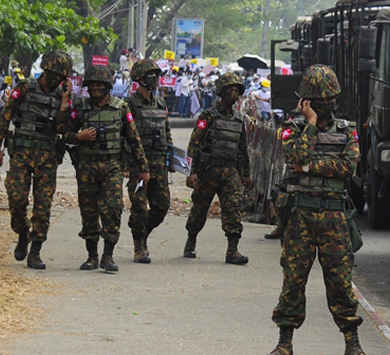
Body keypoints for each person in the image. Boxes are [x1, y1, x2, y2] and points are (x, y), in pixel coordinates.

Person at [269, 64, 365, 355]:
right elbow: (294, 154)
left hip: (334, 218)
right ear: (306, 101)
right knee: (293, 282)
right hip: (300, 216)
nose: (325, 104)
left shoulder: (348, 131)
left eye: (328, 99)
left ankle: (353, 343)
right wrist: (309, 123)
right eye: (318, 101)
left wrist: (311, 166)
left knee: (340, 283)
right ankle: (285, 343)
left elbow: (348, 168)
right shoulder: (291, 128)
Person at [0, 50, 73, 270]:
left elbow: (64, 129)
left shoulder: (62, 96)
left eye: (62, 76)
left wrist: (64, 102)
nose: (57, 79)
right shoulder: (25, 88)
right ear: (45, 69)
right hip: (22, 154)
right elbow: (5, 117)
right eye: (54, 73)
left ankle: (35, 252)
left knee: (43, 206)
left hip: (47, 157)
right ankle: (22, 232)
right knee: (16, 198)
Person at [64, 65, 150, 273]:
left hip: (112, 166)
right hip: (86, 167)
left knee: (112, 208)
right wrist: (78, 137)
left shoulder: (121, 108)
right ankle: (92, 256)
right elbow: (63, 132)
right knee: (89, 211)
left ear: (108, 87)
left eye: (99, 85)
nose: (94, 89)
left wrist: (143, 167)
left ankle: (108, 255)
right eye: (91, 85)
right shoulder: (81, 107)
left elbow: (134, 139)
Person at [183, 73, 252, 265]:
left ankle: (232, 250)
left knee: (233, 210)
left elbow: (242, 148)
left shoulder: (239, 119)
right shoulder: (208, 116)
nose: (234, 94)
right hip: (209, 171)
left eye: (237, 91)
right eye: (230, 90)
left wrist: (246, 174)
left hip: (230, 173)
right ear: (221, 92)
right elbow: (193, 144)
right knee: (199, 209)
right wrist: (191, 172)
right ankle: (191, 240)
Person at [125, 59, 173, 264]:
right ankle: (138, 246)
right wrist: (128, 164)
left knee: (162, 206)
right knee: (139, 206)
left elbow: (167, 132)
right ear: (139, 79)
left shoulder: (161, 103)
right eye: (149, 76)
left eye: (156, 75)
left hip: (159, 162)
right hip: (139, 164)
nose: (154, 79)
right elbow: (126, 136)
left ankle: (143, 233)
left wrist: (170, 159)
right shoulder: (130, 105)